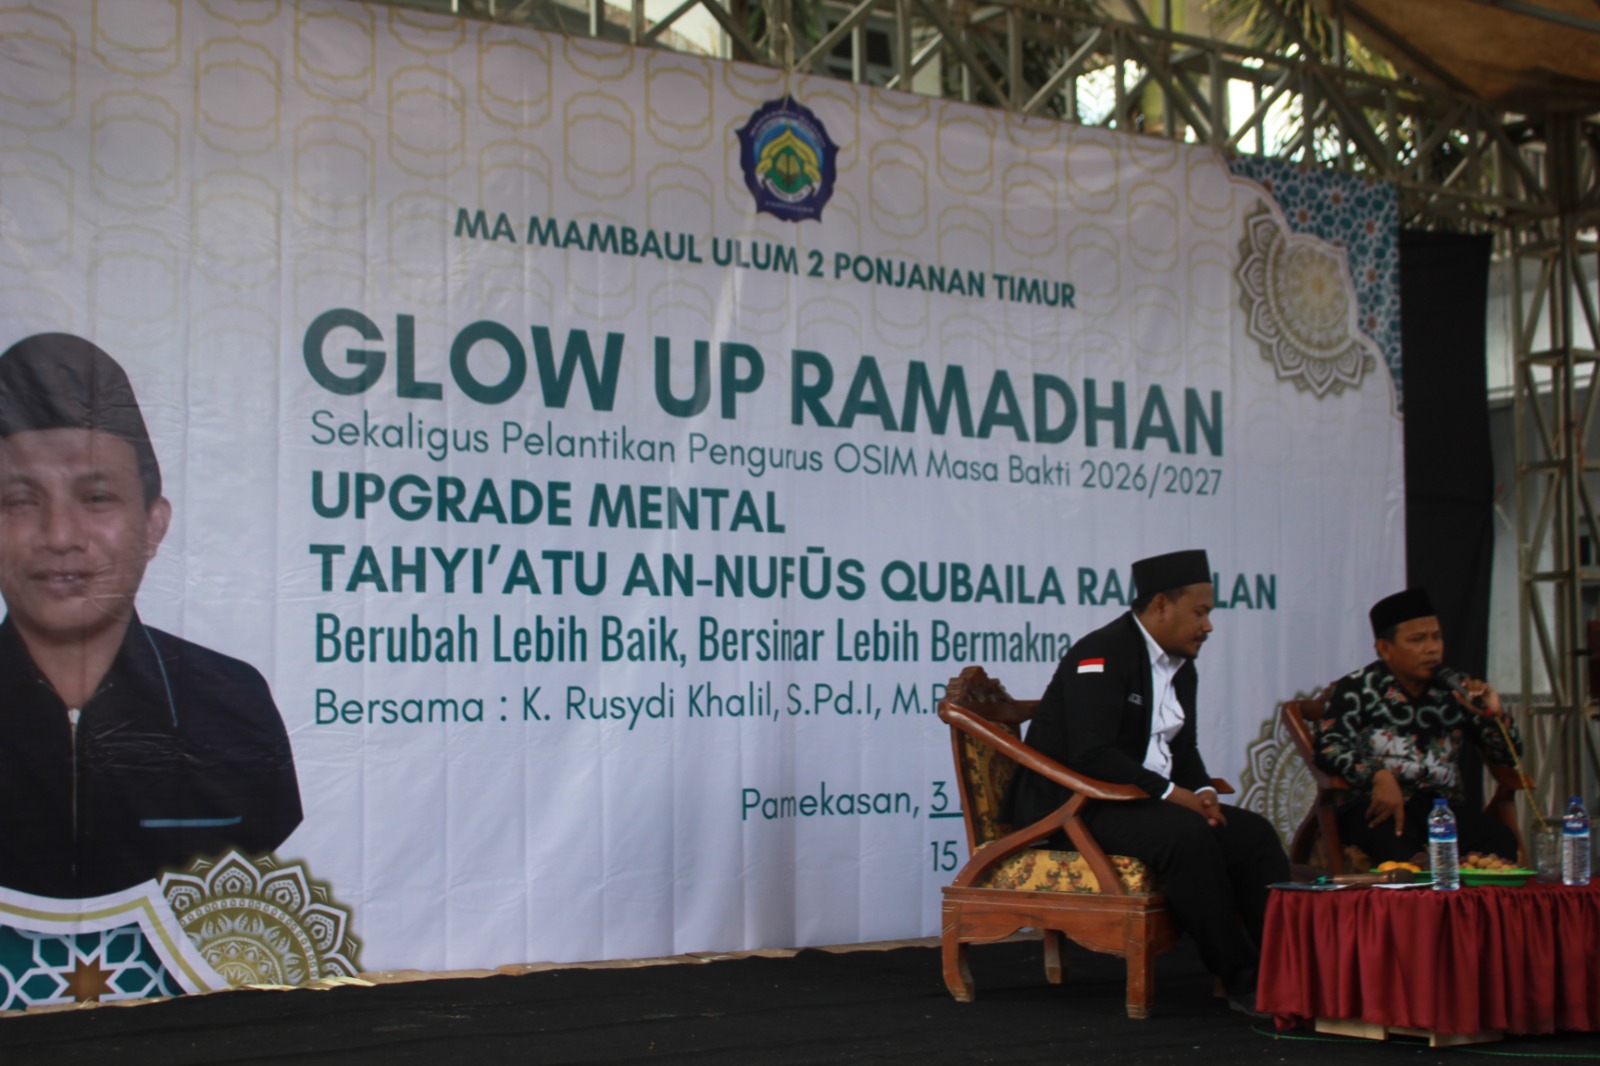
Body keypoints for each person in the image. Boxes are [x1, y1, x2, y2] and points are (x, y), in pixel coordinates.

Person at [0, 332, 301, 899]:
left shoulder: (233, 704)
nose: (60, 536)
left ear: (153, 527)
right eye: (21, 500)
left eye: (96, 499)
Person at [1004, 549, 1289, 1017]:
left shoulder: (1182, 666)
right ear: (1160, 605)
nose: (1208, 626)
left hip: (1133, 801)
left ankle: (1287, 970)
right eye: (1200, 612)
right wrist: (1175, 797)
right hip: (1073, 808)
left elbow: (1183, 748)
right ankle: (1241, 976)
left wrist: (1203, 794)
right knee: (1187, 836)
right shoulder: (1100, 653)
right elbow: (1091, 754)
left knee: (1251, 834)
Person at [1315, 588, 1521, 866]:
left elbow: (1509, 756)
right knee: (1399, 846)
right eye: (1417, 639)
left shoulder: (1454, 690)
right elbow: (1328, 746)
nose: (1432, 648)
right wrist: (1378, 776)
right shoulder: (1356, 688)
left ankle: (1466, 909)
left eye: (1437, 637)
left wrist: (1490, 715)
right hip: (1374, 806)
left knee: (1499, 839)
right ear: (1385, 648)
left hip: (1440, 809)